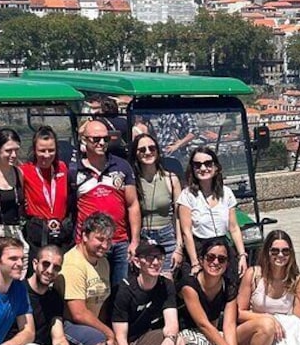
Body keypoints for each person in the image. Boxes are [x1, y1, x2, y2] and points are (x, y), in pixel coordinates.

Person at [105, 242, 186, 345]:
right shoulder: (124, 290)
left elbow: (172, 321)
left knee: (179, 343)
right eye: (150, 258)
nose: (155, 263)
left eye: (159, 258)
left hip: (142, 339)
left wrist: (170, 339)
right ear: (136, 262)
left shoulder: (166, 285)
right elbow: (120, 338)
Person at [22, 245, 94, 345]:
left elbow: (58, 337)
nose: (50, 271)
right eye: (45, 264)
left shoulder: (53, 297)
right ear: (35, 264)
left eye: (56, 267)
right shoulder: (19, 291)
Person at [71, 119, 141, 287]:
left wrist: (135, 241)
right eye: (96, 139)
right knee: (93, 291)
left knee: (120, 292)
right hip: (89, 244)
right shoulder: (74, 171)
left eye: (106, 139)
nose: (101, 143)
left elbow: (133, 205)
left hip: (119, 243)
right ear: (84, 140)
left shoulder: (122, 166)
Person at [56, 211, 116, 345]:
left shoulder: (104, 262)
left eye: (108, 240)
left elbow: (102, 303)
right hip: (67, 326)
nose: (105, 245)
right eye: (99, 239)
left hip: (90, 330)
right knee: (97, 340)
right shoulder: (73, 264)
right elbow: (78, 313)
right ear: (84, 236)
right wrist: (108, 334)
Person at [174, 237, 244, 345]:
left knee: (224, 344)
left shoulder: (228, 286)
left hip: (205, 332)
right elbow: (203, 324)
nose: (215, 262)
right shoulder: (189, 285)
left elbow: (229, 325)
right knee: (203, 343)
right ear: (201, 260)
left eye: (222, 259)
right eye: (210, 257)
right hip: (181, 332)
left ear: (227, 263)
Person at [177, 146, 248, 280]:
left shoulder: (226, 193)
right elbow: (186, 232)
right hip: (200, 249)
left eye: (208, 164)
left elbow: (233, 228)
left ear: (216, 167)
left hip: (223, 247)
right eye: (198, 165)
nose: (203, 168)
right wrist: (195, 263)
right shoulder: (187, 196)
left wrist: (242, 255)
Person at [129, 133, 183, 278]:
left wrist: (179, 247)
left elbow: (179, 216)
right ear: (136, 154)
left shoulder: (171, 179)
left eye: (152, 148)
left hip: (167, 236)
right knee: (146, 281)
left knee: (167, 280)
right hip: (143, 237)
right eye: (142, 149)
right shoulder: (132, 181)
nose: (148, 152)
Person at [0, 128, 29, 277]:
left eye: (16, 150)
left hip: (16, 235)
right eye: (8, 151)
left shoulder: (18, 173)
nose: (13, 155)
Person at [21, 126, 73, 260]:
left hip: (61, 234)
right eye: (42, 150)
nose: (47, 155)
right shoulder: (24, 171)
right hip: (38, 233)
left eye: (51, 150)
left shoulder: (62, 167)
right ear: (34, 150)